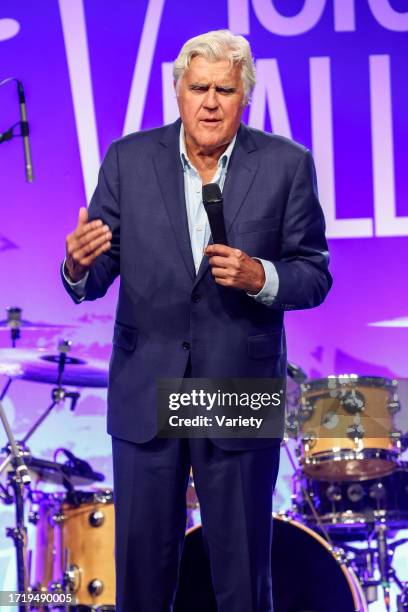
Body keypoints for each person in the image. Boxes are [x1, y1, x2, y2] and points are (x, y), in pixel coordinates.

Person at [62, 30, 332, 612]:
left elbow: (315, 274)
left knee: (241, 581)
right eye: (199, 88)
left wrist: (262, 277)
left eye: (225, 90)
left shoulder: (287, 165)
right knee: (143, 578)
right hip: (147, 386)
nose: (210, 102)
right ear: (179, 92)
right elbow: (98, 268)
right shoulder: (128, 160)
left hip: (237, 388)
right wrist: (77, 264)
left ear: (245, 98)